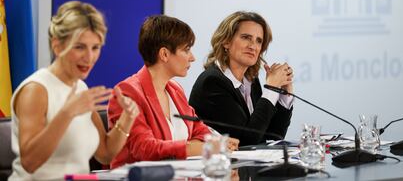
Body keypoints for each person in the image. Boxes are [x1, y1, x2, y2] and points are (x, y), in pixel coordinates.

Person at [9, 1, 139, 180]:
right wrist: (67, 113)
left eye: (95, 48)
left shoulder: (80, 87)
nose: (89, 57)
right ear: (57, 46)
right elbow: (29, 163)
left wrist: (127, 117)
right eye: (79, 47)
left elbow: (106, 153)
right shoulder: (36, 90)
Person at [108, 15, 238, 168]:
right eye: (186, 50)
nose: (192, 58)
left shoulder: (175, 89)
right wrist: (196, 148)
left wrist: (211, 143)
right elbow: (144, 149)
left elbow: (200, 130)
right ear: (164, 54)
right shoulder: (128, 93)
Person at [189, 11, 294, 146]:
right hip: (220, 164)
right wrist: (271, 89)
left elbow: (273, 135)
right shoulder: (212, 82)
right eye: (246, 37)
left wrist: (285, 94)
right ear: (226, 41)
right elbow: (246, 141)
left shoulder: (251, 80)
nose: (253, 46)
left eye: (258, 41)